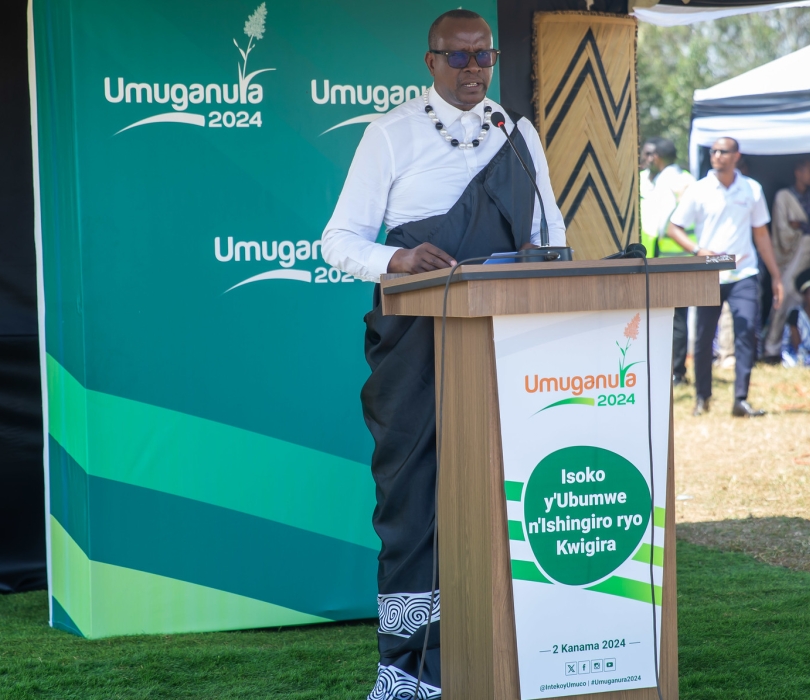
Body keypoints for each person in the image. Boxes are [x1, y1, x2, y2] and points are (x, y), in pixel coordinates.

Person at [320, 10, 566, 696]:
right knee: (415, 503)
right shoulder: (389, 134)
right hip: (415, 351)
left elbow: (553, 239)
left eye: (482, 56)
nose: (472, 69)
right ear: (428, 62)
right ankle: (407, 674)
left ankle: (510, 655)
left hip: (508, 345)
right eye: (456, 58)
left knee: (505, 494)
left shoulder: (518, 137)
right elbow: (337, 241)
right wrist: (398, 258)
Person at [666, 137, 783, 418]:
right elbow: (674, 227)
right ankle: (702, 397)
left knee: (745, 334)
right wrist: (697, 249)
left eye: (723, 152)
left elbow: (761, 234)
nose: (717, 156)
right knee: (704, 337)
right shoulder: (699, 189)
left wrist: (776, 276)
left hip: (745, 271)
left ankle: (740, 400)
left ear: (736, 156)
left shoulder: (751, 189)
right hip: (710, 273)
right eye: (714, 151)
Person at [639, 136, 696, 384]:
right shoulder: (687, 178)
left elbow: (660, 223)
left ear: (658, 158)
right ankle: (677, 370)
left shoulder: (665, 182)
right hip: (685, 255)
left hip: (664, 255)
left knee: (670, 317)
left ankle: (675, 372)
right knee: (679, 315)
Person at [763, 159, 810, 361]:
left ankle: (789, 348)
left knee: (793, 296)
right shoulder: (785, 196)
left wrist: (801, 227)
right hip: (785, 253)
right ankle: (771, 348)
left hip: (808, 254)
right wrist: (794, 230)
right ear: (797, 172)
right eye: (809, 170)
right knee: (782, 297)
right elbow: (783, 229)